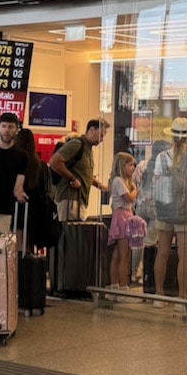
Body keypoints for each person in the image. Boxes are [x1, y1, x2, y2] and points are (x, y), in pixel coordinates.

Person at [150, 118, 187, 305]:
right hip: (185, 211)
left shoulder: (161, 156)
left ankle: (159, 295)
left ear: (171, 136)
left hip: (164, 210)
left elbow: (156, 181)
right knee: (184, 255)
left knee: (162, 252)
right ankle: (182, 297)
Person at [48, 119, 109, 223]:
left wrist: (100, 185)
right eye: (101, 135)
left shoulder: (88, 150)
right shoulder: (77, 144)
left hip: (80, 199)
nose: (102, 139)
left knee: (76, 229)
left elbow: (83, 174)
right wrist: (72, 179)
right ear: (92, 130)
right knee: (70, 230)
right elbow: (54, 161)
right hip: (70, 198)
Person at [13, 128, 56, 250]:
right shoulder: (41, 165)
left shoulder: (15, 163)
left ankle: (20, 261)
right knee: (29, 244)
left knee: (17, 242)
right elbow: (44, 189)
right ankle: (29, 260)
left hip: (17, 209)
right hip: (36, 212)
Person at [106, 151, 138, 292]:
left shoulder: (118, 181)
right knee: (125, 255)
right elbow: (129, 198)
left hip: (122, 216)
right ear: (122, 165)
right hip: (123, 216)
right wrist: (135, 190)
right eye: (130, 165)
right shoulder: (119, 181)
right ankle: (123, 287)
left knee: (118, 254)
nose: (133, 168)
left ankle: (115, 285)